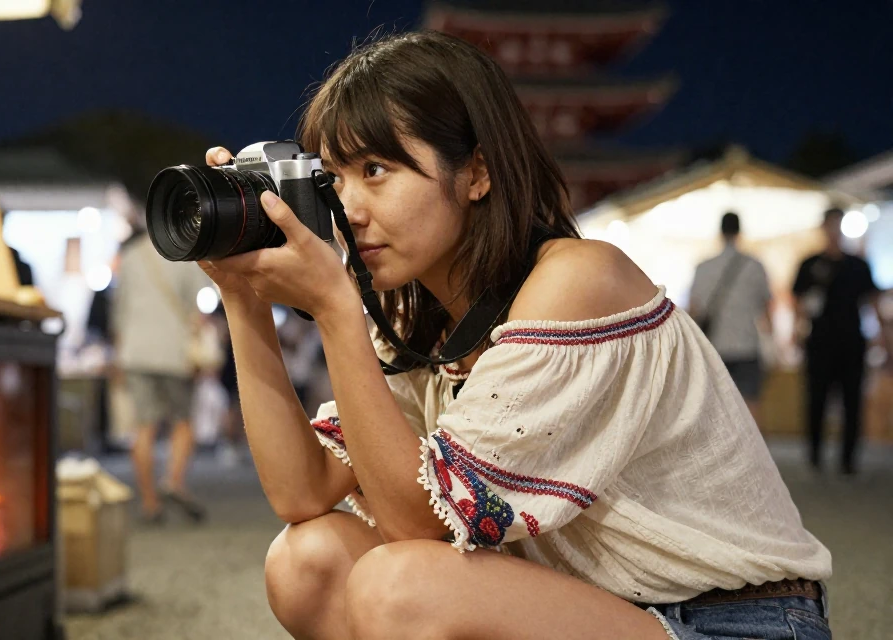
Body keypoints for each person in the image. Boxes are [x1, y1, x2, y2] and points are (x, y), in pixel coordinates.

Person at [199, 31, 831, 640]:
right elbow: (301, 492)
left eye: (376, 169)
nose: (352, 209)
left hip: (736, 622)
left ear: (477, 173)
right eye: (335, 178)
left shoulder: (580, 280)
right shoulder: (421, 318)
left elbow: (421, 524)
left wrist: (338, 311)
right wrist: (241, 295)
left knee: (400, 587)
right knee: (305, 562)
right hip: (600, 611)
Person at [112, 228, 211, 524]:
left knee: (144, 426)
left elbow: (119, 310)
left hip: (135, 351)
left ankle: (149, 503)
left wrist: (119, 355)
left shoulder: (129, 256)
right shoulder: (185, 254)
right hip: (174, 351)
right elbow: (197, 309)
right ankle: (173, 481)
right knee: (182, 421)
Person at [792, 208, 883, 475]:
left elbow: (872, 301)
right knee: (816, 399)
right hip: (820, 341)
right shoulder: (810, 264)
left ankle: (848, 459)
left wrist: (882, 337)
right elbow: (799, 302)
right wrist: (798, 332)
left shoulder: (858, 265)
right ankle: (815, 455)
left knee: (852, 402)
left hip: (851, 341)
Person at [688, 212, 773, 426]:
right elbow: (766, 309)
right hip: (747, 344)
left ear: (720, 232)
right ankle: (755, 457)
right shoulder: (754, 266)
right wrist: (773, 344)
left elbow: (694, 309)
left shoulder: (703, 267)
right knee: (751, 403)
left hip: (714, 346)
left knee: (714, 407)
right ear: (739, 232)